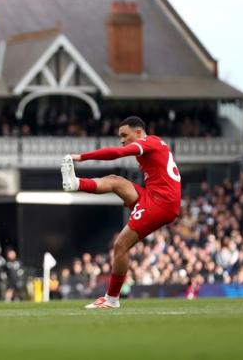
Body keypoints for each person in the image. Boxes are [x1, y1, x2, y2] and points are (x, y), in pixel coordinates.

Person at [62, 116, 181, 309]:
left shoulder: (147, 142)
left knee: (120, 246)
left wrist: (81, 157)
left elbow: (116, 153)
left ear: (139, 132)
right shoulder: (155, 143)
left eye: (125, 135)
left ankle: (111, 299)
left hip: (161, 203)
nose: (122, 140)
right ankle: (76, 183)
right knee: (115, 181)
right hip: (153, 196)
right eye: (120, 136)